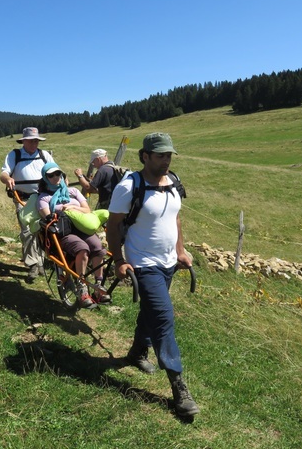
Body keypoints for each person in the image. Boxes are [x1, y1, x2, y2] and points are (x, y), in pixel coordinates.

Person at [105, 132, 199, 418]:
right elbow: (112, 225)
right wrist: (119, 260)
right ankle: (178, 386)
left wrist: (181, 251)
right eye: (160, 155)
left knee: (151, 311)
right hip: (143, 263)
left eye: (169, 155)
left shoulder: (173, 181)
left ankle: (136, 352)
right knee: (163, 317)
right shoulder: (129, 186)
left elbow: (175, 218)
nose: (166, 160)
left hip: (168, 261)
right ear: (145, 156)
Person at [37, 162, 111, 308]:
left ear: (62, 174)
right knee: (82, 248)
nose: (55, 177)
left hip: (82, 228)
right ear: (45, 178)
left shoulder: (73, 192)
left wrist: (72, 207)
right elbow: (49, 219)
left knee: (98, 247)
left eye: (57, 173)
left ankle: (98, 285)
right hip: (65, 232)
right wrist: (62, 213)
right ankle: (81, 287)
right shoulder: (44, 199)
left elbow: (87, 210)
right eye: (50, 175)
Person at [0, 127, 54, 282]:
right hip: (22, 199)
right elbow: (4, 173)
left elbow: (55, 171)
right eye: (31, 141)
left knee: (43, 229)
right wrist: (7, 179)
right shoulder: (14, 155)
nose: (34, 143)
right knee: (27, 231)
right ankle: (32, 264)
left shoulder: (44, 155)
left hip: (44, 198)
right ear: (24, 141)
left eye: (36, 140)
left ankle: (41, 261)